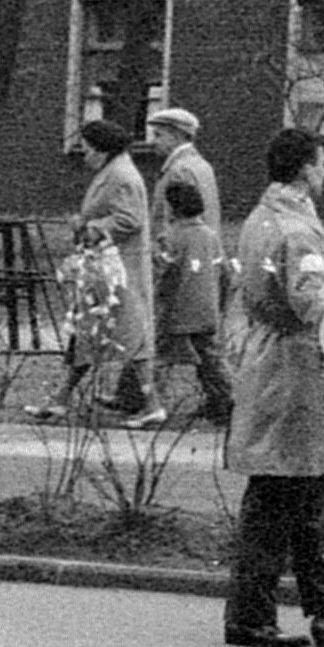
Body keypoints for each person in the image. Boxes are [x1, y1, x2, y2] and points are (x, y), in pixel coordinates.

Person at [222, 127, 324, 647]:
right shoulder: (299, 230)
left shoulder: (260, 218)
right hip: (296, 372)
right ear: (306, 169)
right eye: (322, 164)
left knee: (308, 494)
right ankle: (250, 617)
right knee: (279, 497)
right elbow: (310, 300)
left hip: (274, 364)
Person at [66, 118, 156, 419]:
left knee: (123, 333)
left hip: (119, 268)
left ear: (102, 150)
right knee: (95, 331)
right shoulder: (114, 171)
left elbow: (129, 219)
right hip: (108, 267)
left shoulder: (121, 176)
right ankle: (60, 397)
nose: (84, 156)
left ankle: (153, 405)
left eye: (87, 149)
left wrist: (91, 227)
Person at [143, 175, 233, 427]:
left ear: (174, 209)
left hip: (176, 313)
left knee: (157, 357)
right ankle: (223, 402)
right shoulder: (211, 236)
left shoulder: (170, 238)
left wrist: (154, 301)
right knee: (210, 361)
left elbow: (159, 274)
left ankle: (145, 402)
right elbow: (225, 273)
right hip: (207, 312)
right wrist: (220, 304)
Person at [143, 105, 221, 240]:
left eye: (158, 135)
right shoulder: (202, 165)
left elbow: (172, 220)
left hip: (181, 248)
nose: (153, 142)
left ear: (176, 136)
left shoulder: (178, 170)